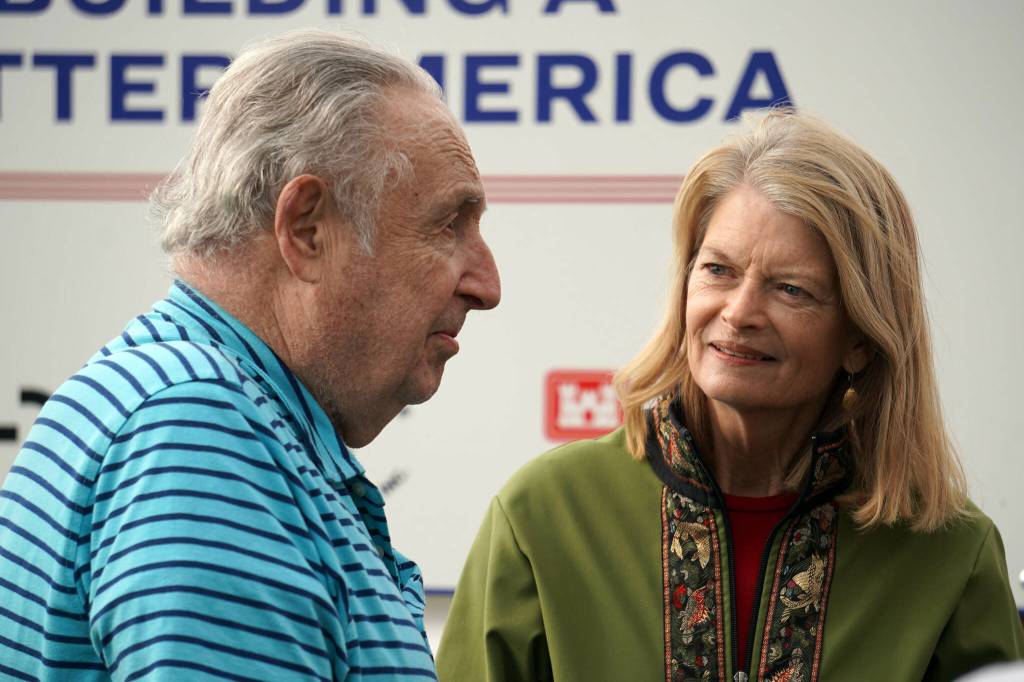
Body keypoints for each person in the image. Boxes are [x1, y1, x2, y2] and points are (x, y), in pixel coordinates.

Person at [437, 111, 1023, 681]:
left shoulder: (951, 554)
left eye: (791, 289)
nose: (739, 313)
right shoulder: (543, 514)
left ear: (861, 341)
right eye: (717, 270)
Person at [0, 29, 499, 680]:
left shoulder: (183, 401)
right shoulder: (196, 427)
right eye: (446, 225)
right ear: (307, 228)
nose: (487, 285)